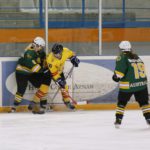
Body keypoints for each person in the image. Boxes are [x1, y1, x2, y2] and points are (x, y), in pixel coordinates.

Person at [112, 40, 150, 128]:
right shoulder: (137, 56)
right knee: (144, 103)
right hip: (142, 85)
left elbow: (119, 74)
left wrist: (115, 77)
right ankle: (148, 118)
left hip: (128, 86)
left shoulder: (122, 57)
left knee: (121, 103)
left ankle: (118, 120)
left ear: (121, 49)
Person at [12, 37, 51, 114]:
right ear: (37, 45)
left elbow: (44, 60)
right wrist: (44, 71)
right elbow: (34, 67)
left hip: (31, 73)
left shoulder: (39, 51)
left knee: (42, 86)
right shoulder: (29, 53)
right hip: (22, 72)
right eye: (41, 47)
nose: (41, 48)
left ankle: (43, 105)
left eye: (42, 47)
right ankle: (14, 107)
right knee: (21, 90)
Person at [46, 43, 80, 110]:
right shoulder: (50, 59)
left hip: (59, 71)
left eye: (56, 53)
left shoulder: (65, 51)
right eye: (54, 53)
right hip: (49, 72)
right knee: (44, 86)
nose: (54, 55)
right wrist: (59, 80)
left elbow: (71, 55)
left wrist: (74, 59)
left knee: (64, 86)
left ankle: (67, 102)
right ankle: (43, 103)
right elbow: (53, 72)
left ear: (61, 52)